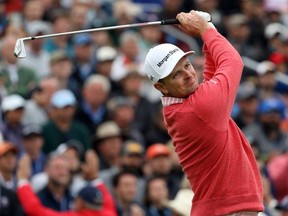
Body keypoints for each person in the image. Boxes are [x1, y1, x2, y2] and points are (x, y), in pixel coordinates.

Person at [143, 11, 264, 215]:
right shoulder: (200, 107)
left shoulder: (182, 105)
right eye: (176, 75)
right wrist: (205, 29)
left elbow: (210, 76)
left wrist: (207, 30)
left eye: (187, 65)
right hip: (230, 211)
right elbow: (233, 62)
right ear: (161, 87)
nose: (188, 75)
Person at [16, 154, 113, 216]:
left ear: (80, 203)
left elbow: (34, 210)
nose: (62, 171)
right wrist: (95, 178)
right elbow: (109, 202)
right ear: (46, 170)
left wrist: (23, 181)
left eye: (65, 168)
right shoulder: (109, 212)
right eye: (57, 167)